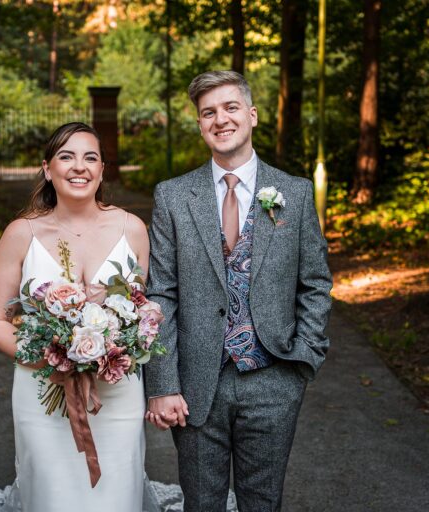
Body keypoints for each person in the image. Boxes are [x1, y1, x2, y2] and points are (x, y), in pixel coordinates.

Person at [144, 70, 333, 511]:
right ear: (200, 124)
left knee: (262, 502)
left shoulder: (294, 193)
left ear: (252, 115)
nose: (220, 119)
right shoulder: (173, 196)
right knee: (201, 502)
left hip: (274, 379)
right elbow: (161, 294)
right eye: (208, 112)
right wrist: (163, 383)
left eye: (230, 107)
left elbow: (315, 283)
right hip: (195, 384)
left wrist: (304, 357)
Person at [0, 122, 151, 510]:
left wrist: (117, 346)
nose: (79, 167)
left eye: (90, 158)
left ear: (102, 170)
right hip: (42, 392)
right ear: (47, 168)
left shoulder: (133, 229)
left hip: (116, 395)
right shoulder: (21, 234)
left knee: (117, 498)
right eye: (66, 157)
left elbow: (143, 311)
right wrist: (49, 357)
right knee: (52, 497)